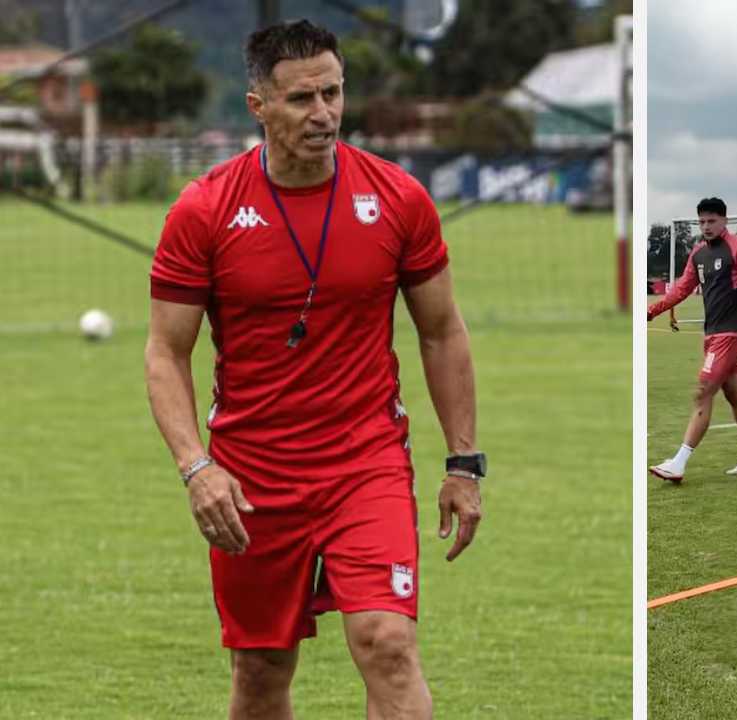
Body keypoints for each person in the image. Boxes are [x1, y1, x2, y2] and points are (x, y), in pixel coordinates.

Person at [144, 20, 483, 720]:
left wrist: (463, 462)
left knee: (387, 641)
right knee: (262, 670)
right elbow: (164, 352)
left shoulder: (397, 198)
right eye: (302, 99)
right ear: (258, 106)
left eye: (333, 93)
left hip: (367, 463)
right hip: (252, 477)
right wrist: (194, 466)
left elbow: (442, 331)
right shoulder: (204, 209)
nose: (323, 113)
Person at [646, 197, 737, 483]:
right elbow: (681, 290)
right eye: (701, 222)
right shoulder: (698, 253)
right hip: (711, 334)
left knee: (703, 391)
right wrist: (650, 310)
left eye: (712, 221)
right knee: (734, 395)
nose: (706, 227)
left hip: (731, 333)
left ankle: (679, 463)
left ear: (724, 220)